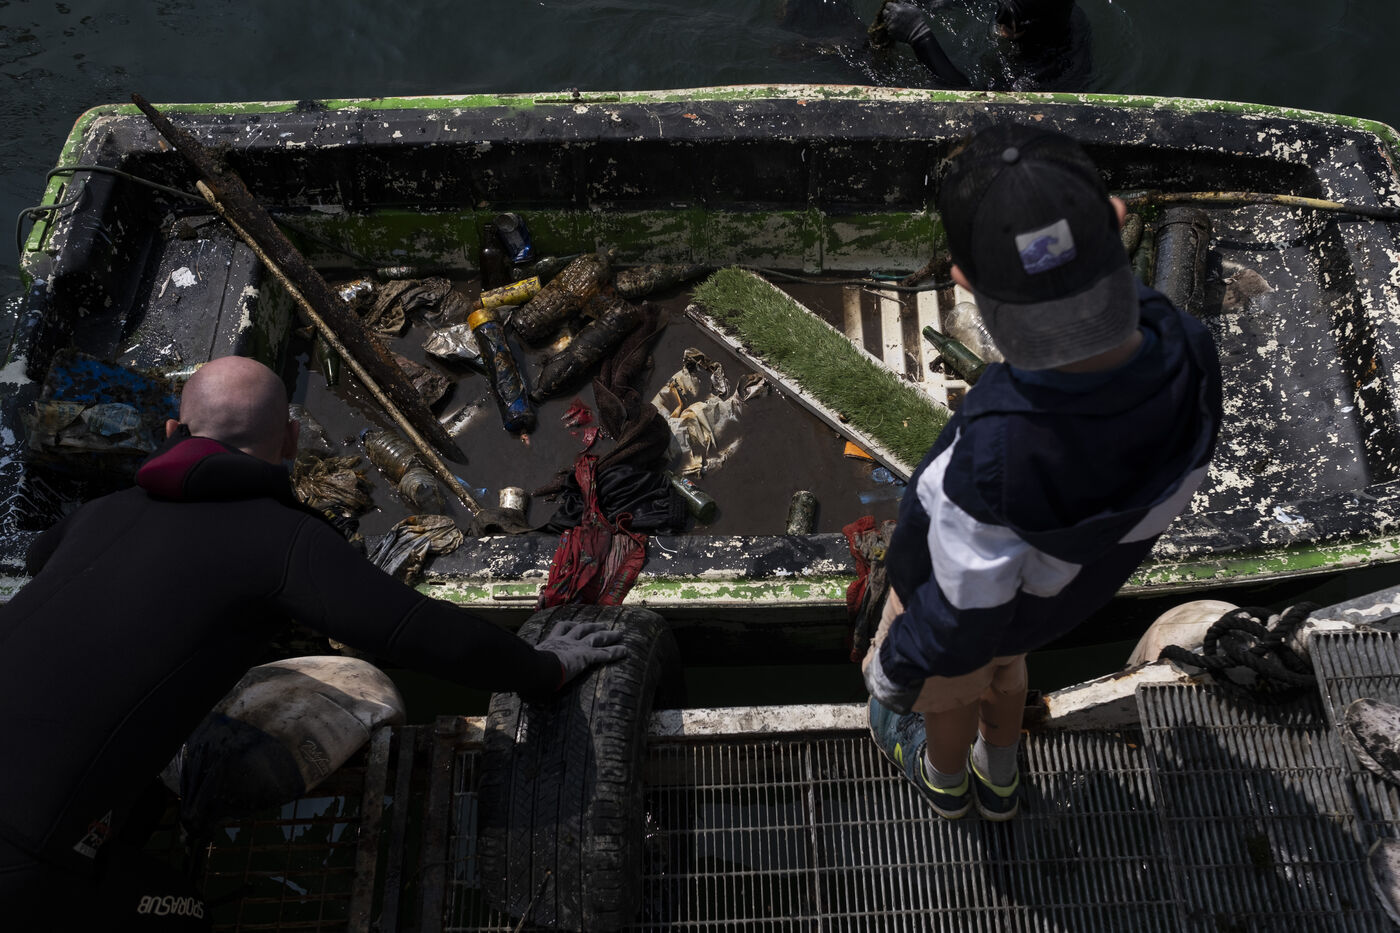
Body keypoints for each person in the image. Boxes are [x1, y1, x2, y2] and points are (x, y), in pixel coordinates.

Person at [0, 355, 629, 929]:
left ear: (171, 432)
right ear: (292, 442)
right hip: (25, 856)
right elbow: (423, 633)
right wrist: (546, 668)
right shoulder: (280, 541)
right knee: (183, 910)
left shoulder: (98, 514)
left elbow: (38, 559)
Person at [863, 123, 1223, 821]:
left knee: (953, 691)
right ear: (1116, 218)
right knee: (1008, 671)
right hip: (1054, 606)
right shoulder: (1190, 346)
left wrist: (895, 670)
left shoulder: (991, 459)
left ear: (964, 281)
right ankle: (999, 777)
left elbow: (960, 614)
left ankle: (944, 780)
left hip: (964, 618)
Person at [877, 0, 1092, 91]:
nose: (998, 22)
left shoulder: (1034, 79)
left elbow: (970, 103)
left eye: (1003, 16)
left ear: (1024, 29)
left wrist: (919, 36)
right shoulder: (1059, 12)